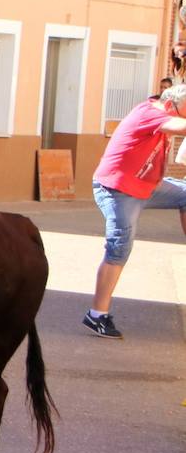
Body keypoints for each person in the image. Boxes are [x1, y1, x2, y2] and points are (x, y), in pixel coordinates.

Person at [83, 83, 186, 339]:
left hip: (147, 186)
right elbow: (180, 127)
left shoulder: (163, 112)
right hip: (118, 190)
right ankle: (97, 315)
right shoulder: (148, 112)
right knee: (119, 247)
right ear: (171, 104)